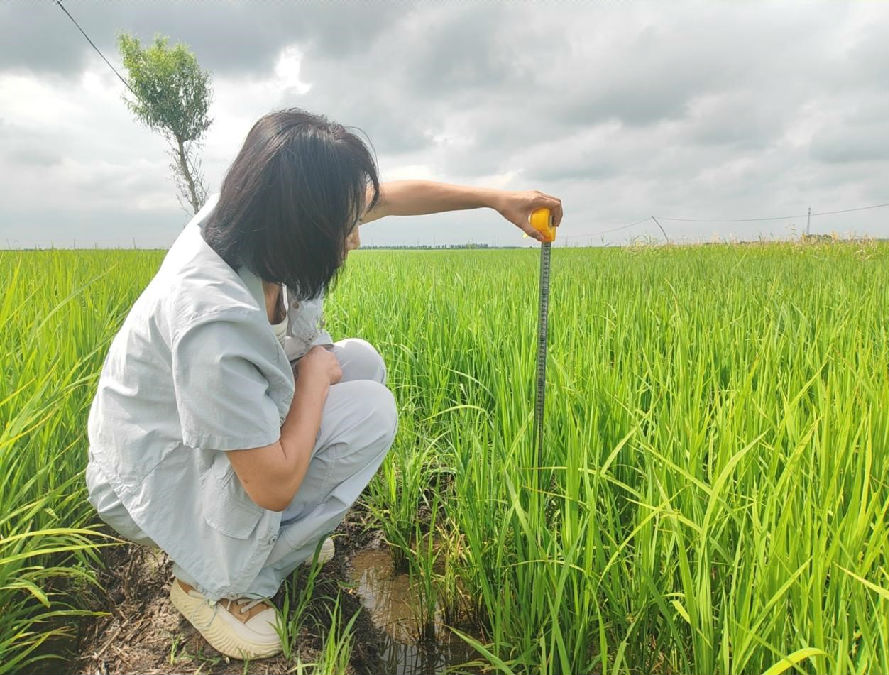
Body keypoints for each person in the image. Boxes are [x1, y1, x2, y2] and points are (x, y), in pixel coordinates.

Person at [85, 108, 563, 659]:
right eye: (344, 227)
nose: (356, 238)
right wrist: (311, 374)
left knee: (361, 365)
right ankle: (218, 581)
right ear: (299, 230)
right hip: (151, 475)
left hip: (201, 429)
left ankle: (261, 540)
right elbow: (273, 486)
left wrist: (494, 198)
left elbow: (387, 197)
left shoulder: (264, 211)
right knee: (369, 412)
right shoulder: (212, 321)